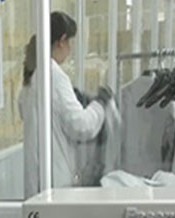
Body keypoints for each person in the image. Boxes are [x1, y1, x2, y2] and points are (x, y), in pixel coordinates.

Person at [18, 12, 111, 195]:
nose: (70, 48)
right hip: (56, 183)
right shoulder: (54, 76)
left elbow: (35, 113)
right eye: (69, 42)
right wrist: (100, 104)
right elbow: (81, 126)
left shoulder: (32, 75)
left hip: (37, 182)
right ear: (61, 41)